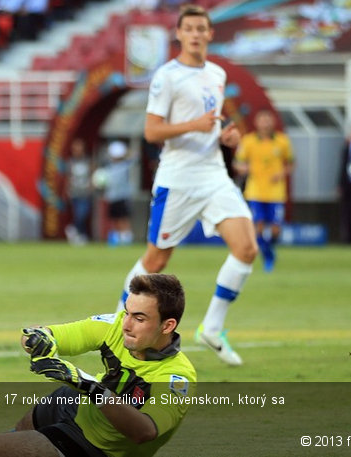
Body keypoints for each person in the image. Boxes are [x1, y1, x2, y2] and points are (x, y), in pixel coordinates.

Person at [117, 5, 254, 366]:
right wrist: (193, 125)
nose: (195, 34)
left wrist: (227, 137)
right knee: (156, 260)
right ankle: (118, 325)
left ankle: (212, 327)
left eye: (201, 28)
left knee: (247, 248)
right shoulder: (167, 76)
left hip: (212, 176)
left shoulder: (217, 74)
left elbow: (213, 122)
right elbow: (151, 131)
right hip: (177, 179)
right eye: (189, 28)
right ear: (178, 34)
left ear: (210, 34)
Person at [0, 273, 196, 457]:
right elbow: (53, 333)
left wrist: (87, 384)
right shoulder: (116, 325)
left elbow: (144, 432)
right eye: (127, 312)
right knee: (31, 420)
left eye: (139, 319)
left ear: (167, 326)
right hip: (81, 403)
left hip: (99, 446)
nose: (126, 325)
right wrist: (38, 337)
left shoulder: (177, 376)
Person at [233, 110, 293, 272]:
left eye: (268, 120)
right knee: (257, 227)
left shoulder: (282, 141)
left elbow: (290, 164)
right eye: (262, 120)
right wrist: (244, 168)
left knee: (275, 229)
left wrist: (282, 173)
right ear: (257, 123)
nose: (265, 123)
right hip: (255, 191)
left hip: (276, 192)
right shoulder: (249, 141)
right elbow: (238, 163)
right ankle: (268, 257)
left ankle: (269, 250)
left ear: (273, 122)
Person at [101, 140, 134, 246]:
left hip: (122, 196)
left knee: (123, 218)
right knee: (114, 219)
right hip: (112, 197)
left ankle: (126, 238)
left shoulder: (125, 165)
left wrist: (125, 153)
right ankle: (116, 238)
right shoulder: (108, 166)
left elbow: (135, 157)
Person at [65, 138, 93, 245]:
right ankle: (79, 234)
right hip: (75, 192)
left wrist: (91, 186)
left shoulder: (87, 161)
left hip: (85, 192)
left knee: (83, 213)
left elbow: (92, 175)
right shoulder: (70, 162)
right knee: (78, 214)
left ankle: (76, 231)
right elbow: (68, 177)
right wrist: (67, 190)